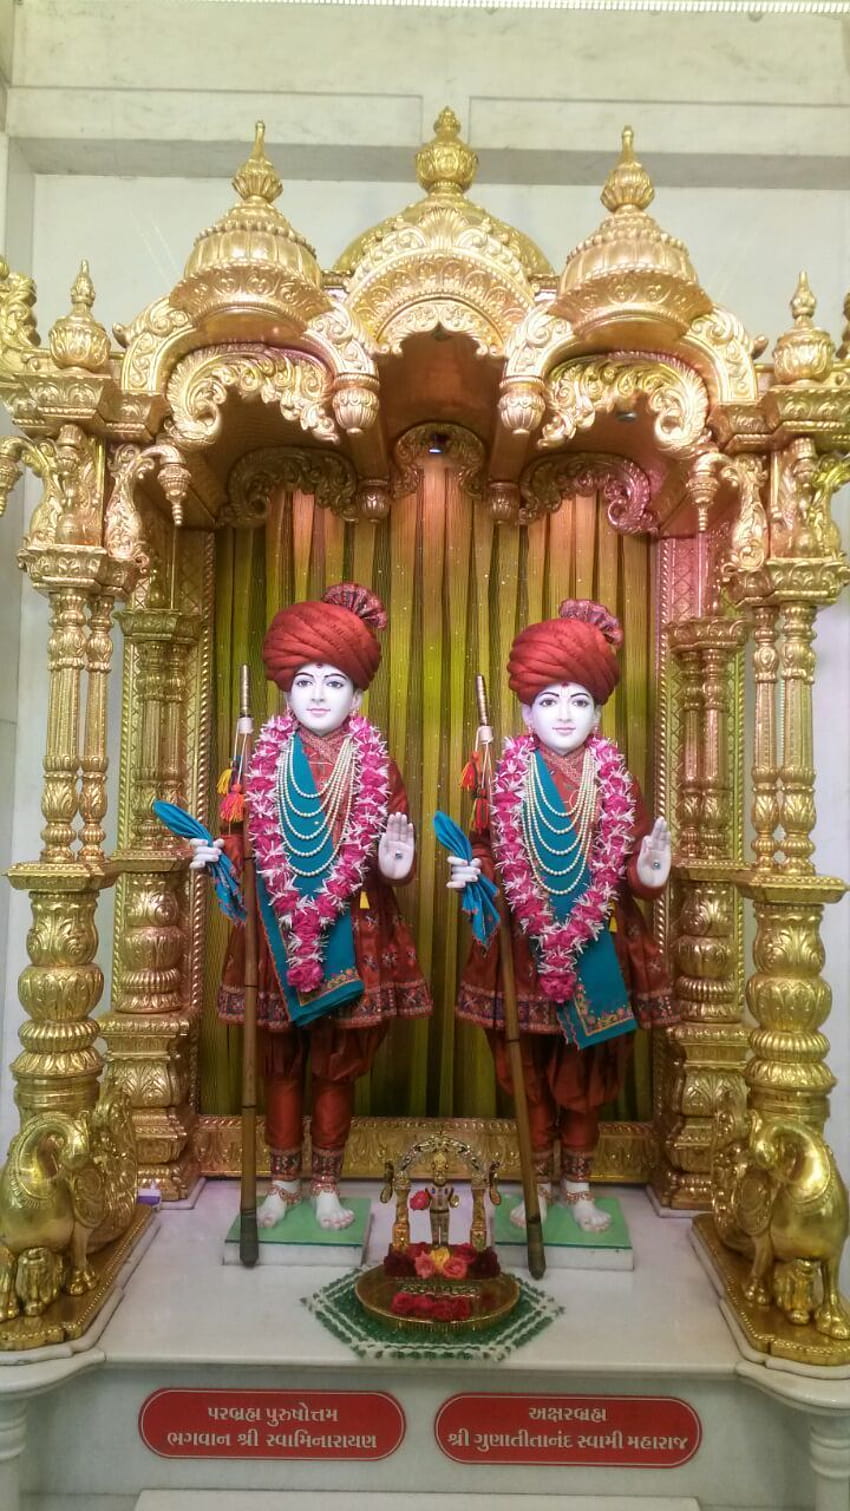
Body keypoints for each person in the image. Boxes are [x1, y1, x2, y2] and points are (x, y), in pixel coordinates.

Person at [192, 583, 431, 1231]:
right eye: (304, 680)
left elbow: (394, 843)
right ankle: (283, 1181)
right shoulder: (257, 760)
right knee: (280, 1060)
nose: (319, 693)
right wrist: (220, 857)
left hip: (350, 927)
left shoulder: (377, 762)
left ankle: (326, 1180)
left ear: (357, 694)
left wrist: (394, 865)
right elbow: (238, 837)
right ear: (285, 691)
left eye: (333, 680)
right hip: (274, 931)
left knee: (336, 1061)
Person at [448, 599, 675, 1234]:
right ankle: (534, 1182)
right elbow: (488, 850)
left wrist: (648, 872)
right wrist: (476, 873)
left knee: (587, 1069)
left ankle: (577, 1186)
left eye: (579, 701)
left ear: (599, 710)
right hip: (522, 945)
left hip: (598, 943)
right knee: (529, 1076)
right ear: (525, 712)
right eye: (550, 701)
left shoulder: (613, 774)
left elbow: (627, 860)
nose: (565, 715)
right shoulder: (504, 776)